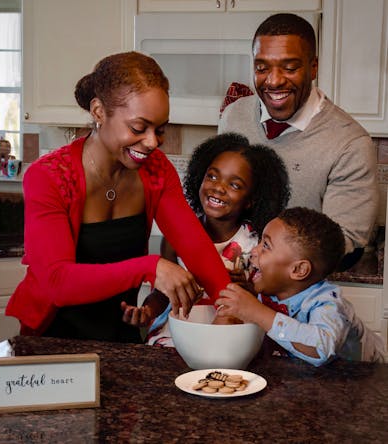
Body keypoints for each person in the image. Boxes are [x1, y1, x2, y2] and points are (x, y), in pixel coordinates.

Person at [5, 51, 231, 341]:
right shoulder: (48, 177)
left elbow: (195, 248)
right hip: (53, 338)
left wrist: (229, 307)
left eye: (160, 129)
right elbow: (56, 283)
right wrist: (149, 267)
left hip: (119, 333)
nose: (151, 142)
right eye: (139, 128)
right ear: (99, 112)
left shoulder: (156, 169)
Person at [218, 13, 379, 271]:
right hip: (231, 278)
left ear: (313, 67)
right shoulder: (234, 117)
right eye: (262, 68)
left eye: (290, 68)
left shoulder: (350, 143)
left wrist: (267, 265)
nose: (273, 80)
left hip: (298, 297)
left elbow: (343, 244)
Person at [121, 132, 290, 346]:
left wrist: (248, 288)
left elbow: (272, 301)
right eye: (212, 176)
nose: (218, 187)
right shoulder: (176, 234)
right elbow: (163, 294)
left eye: (235, 185)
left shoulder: (258, 243)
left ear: (251, 200)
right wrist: (146, 311)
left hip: (233, 336)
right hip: (180, 333)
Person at [216, 207, 385, 366]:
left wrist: (256, 311)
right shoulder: (274, 288)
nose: (254, 250)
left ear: (298, 270)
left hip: (371, 377)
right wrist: (248, 294)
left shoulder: (326, 302)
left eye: (266, 246)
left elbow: (322, 348)